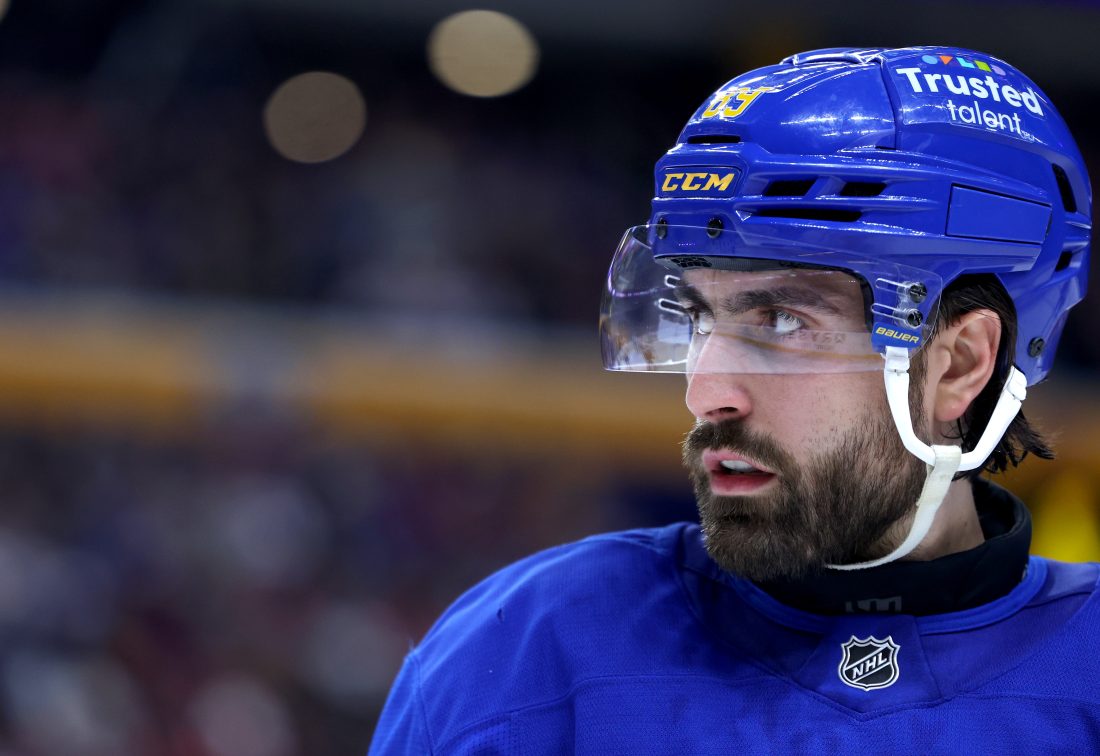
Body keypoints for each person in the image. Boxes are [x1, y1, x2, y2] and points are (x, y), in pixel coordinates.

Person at [370, 46, 1095, 753]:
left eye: (782, 320)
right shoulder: (521, 655)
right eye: (699, 316)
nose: (704, 391)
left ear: (960, 364)